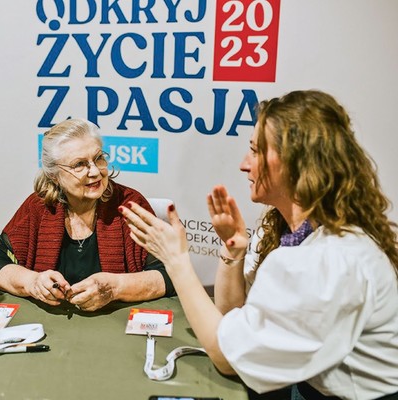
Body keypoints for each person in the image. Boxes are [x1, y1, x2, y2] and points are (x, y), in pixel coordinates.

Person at [120, 90, 398, 399]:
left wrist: (176, 261)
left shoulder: (329, 260)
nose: (244, 164)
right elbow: (231, 317)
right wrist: (233, 251)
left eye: (255, 151)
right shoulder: (288, 232)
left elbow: (227, 358)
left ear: (297, 163)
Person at [0, 118, 174, 311]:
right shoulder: (39, 207)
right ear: (54, 175)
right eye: (79, 164)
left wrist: (114, 287)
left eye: (99, 158)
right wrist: (33, 282)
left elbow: (170, 273)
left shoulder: (129, 205)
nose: (95, 171)